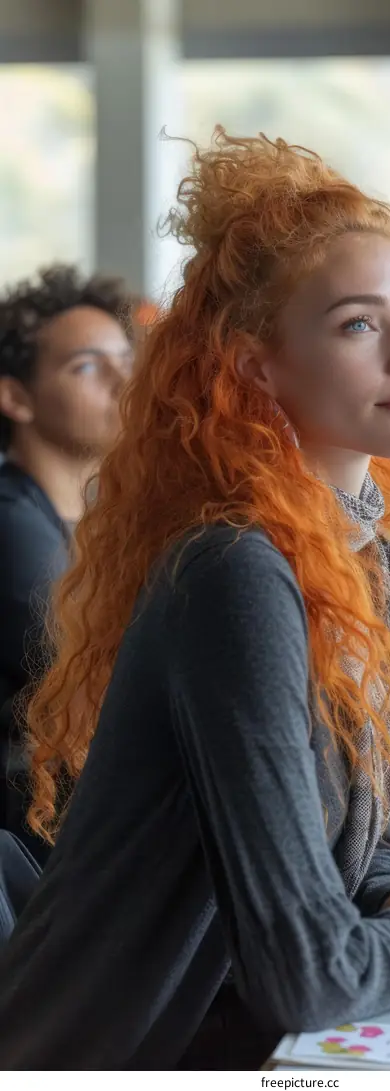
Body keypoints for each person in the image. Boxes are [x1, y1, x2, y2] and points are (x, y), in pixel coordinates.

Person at [0, 131, 390, 1070]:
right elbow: (307, 972)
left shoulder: (368, 559)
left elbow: (366, 842)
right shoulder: (234, 571)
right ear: (252, 368)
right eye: (360, 325)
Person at [0, 265, 134, 855]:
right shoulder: (12, 524)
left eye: (125, 360)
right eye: (87, 366)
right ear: (14, 396)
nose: (122, 382)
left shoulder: (93, 522)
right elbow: (105, 694)